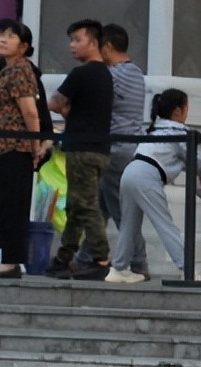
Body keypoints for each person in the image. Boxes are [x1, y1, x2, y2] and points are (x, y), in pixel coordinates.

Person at [46, 18, 114, 279]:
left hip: (81, 149)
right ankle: (63, 259)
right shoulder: (105, 75)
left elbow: (54, 102)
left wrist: (65, 110)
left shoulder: (81, 73)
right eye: (71, 40)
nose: (72, 46)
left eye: (77, 40)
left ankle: (100, 259)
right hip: (100, 149)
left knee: (85, 205)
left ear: (93, 43)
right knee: (75, 205)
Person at [0, 20, 44, 279]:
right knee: (1, 204)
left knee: (13, 205)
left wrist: (35, 143)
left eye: (9, 36)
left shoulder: (20, 70)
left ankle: (12, 259)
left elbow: (30, 111)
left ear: (24, 45)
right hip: (0, 149)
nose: (2, 40)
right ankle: (7, 255)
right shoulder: (7, 70)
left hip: (14, 147)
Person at [106, 89, 191, 284]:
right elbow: (196, 160)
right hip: (147, 176)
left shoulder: (154, 128)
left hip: (130, 172)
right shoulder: (179, 132)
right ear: (178, 110)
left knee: (129, 224)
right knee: (165, 225)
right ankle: (188, 269)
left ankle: (119, 268)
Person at [79, 23, 145, 267]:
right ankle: (86, 256)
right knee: (100, 207)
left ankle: (139, 262)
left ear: (107, 47)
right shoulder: (136, 73)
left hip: (116, 149)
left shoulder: (113, 75)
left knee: (120, 211)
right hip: (130, 149)